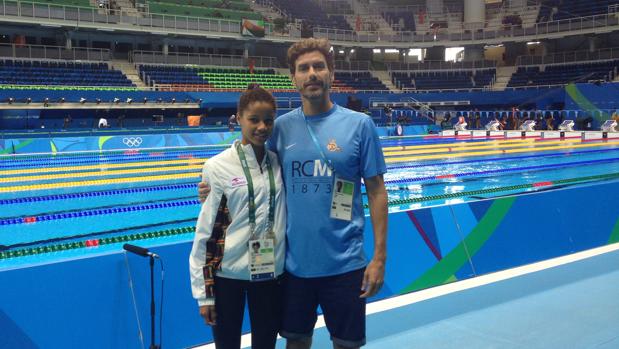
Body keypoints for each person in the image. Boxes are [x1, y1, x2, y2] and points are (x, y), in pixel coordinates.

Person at [199, 38, 387, 349]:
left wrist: (379, 257)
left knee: (347, 344)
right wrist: (213, 186)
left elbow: (378, 193)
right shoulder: (280, 128)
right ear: (293, 78)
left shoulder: (360, 125)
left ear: (331, 72)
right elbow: (253, 170)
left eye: (318, 66)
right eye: (304, 68)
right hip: (294, 267)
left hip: (346, 266)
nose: (311, 73)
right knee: (296, 343)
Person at [190, 85, 286, 349]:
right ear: (239, 117)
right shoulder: (217, 166)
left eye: (268, 120)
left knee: (265, 345)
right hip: (227, 277)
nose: (262, 127)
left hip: (269, 274)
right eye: (254, 119)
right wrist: (205, 295)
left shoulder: (278, 162)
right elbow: (207, 232)